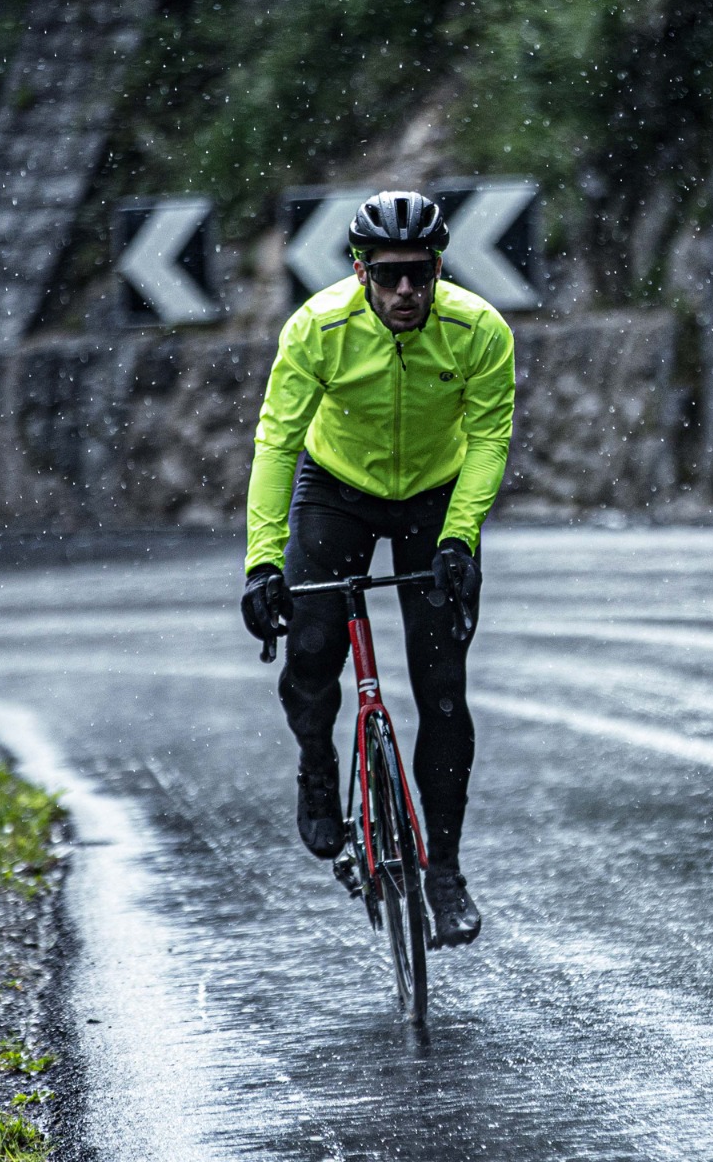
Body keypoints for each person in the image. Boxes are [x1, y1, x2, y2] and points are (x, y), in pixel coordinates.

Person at [238, 190, 514, 948]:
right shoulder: (317, 330)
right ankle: (317, 765)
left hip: (434, 499)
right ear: (360, 270)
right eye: (389, 275)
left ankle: (445, 871)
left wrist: (460, 539)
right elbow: (276, 443)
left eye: (419, 276)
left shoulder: (479, 331)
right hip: (338, 492)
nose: (405, 293)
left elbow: (489, 439)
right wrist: (264, 559)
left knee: (444, 695)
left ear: (437, 270)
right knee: (314, 648)